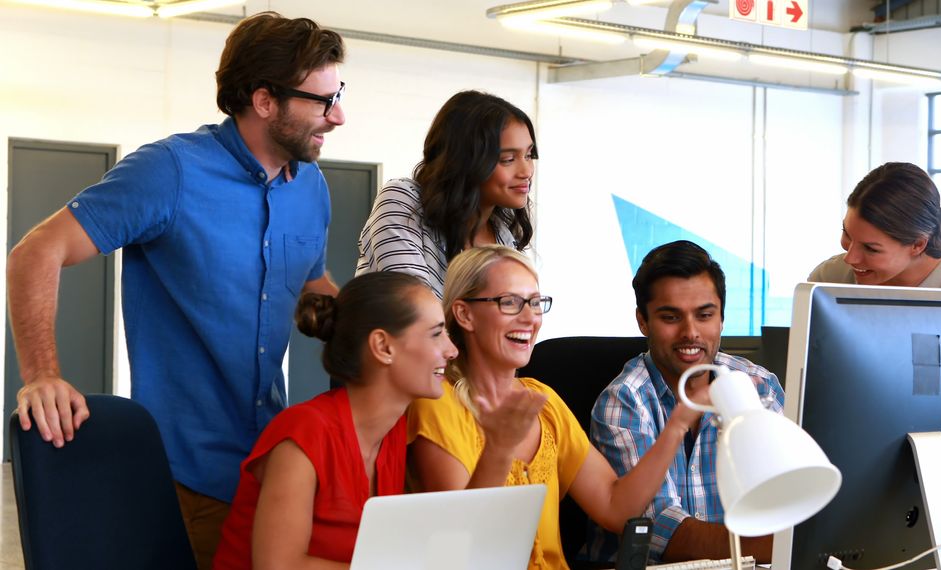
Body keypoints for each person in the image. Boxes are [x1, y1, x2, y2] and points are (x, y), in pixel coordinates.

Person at [6, 12, 345, 567]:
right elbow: (35, 253)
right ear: (264, 101)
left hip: (273, 460)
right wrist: (42, 374)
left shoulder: (310, 185)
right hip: (187, 475)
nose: (338, 117)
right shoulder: (171, 171)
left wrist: (389, 323)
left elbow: (310, 285)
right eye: (322, 101)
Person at [407, 244, 707, 570]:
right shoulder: (436, 404)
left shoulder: (543, 401)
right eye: (510, 303)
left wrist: (676, 426)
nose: (529, 318)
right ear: (464, 314)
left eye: (535, 303)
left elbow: (615, 508)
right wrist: (500, 449)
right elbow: (460, 553)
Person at [214, 272, 458, 569]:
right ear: (383, 347)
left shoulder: (393, 432)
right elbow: (278, 565)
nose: (452, 350)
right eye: (436, 334)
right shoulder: (304, 434)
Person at [586, 240, 786, 565]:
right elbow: (663, 535)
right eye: (671, 317)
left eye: (704, 315)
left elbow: (788, 496)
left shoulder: (759, 385)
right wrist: (789, 543)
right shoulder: (624, 401)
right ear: (642, 321)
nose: (690, 332)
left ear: (721, 318)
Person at [354, 90, 536, 297]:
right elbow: (414, 311)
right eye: (508, 159)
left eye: (529, 155)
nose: (527, 171)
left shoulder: (504, 234)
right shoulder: (404, 201)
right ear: (465, 160)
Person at [808, 162, 941, 290]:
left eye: (870, 248)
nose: (850, 258)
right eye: (847, 234)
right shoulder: (826, 279)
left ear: (918, 244)